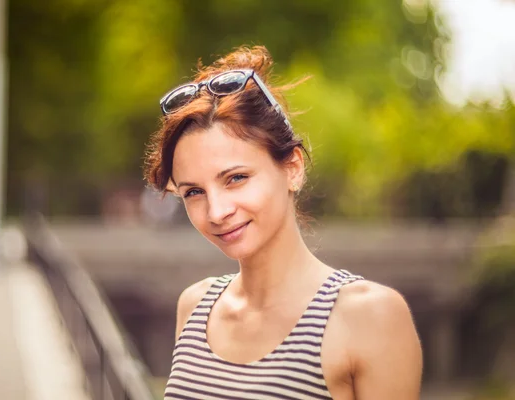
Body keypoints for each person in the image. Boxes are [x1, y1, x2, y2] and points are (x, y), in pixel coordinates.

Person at [143, 46, 422, 400]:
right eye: (194, 191)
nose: (216, 211)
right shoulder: (195, 305)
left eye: (236, 178)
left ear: (292, 168)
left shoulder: (369, 315)